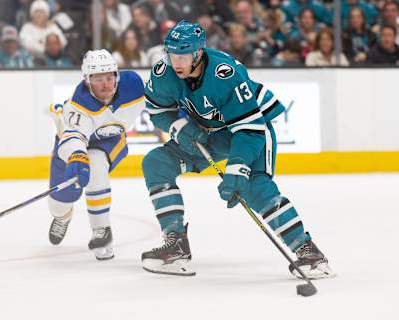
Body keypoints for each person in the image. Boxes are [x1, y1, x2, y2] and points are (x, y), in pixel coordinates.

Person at [141, 21, 334, 279]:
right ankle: (175, 244)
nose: (176, 62)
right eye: (173, 55)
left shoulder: (226, 75)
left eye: (183, 56)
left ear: (198, 54)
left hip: (251, 127)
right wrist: (178, 127)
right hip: (208, 132)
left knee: (255, 187)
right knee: (157, 163)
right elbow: (157, 110)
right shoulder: (164, 72)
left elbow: (249, 130)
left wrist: (238, 168)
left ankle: (308, 251)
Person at [47, 49, 145, 260]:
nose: (106, 84)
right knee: (59, 203)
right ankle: (63, 217)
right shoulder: (78, 105)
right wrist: (76, 156)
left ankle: (102, 232)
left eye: (110, 77)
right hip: (71, 148)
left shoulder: (133, 85)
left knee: (97, 164)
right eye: (98, 79)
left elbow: (161, 99)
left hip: (111, 142)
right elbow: (72, 137)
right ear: (87, 80)